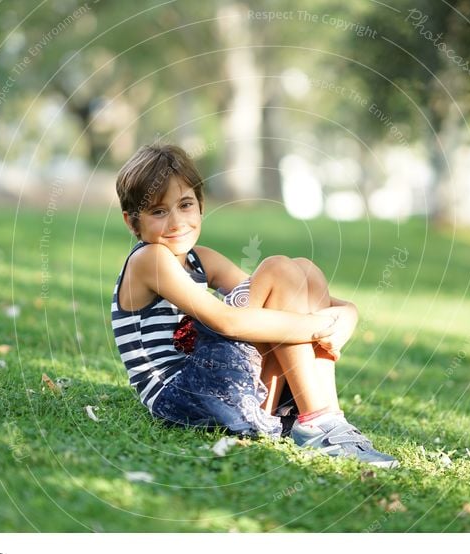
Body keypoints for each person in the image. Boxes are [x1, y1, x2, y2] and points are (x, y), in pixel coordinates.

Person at [112, 143, 398, 468]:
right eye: (159, 211)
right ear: (132, 222)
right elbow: (226, 322)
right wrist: (320, 325)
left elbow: (289, 293)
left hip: (221, 383)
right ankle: (319, 421)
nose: (176, 222)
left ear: (201, 206)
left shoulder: (200, 260)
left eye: (185, 204)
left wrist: (348, 314)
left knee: (302, 271)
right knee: (277, 268)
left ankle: (325, 420)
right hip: (183, 394)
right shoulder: (149, 259)